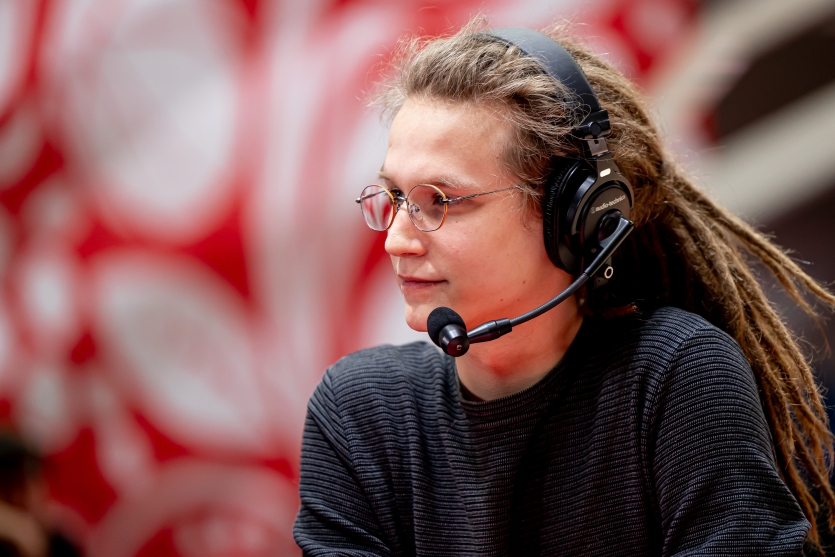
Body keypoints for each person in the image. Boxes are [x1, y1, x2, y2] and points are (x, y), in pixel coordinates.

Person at [293, 18, 835, 556]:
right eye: (394, 197)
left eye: (440, 201)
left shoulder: (675, 378)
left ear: (574, 216)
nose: (396, 240)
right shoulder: (359, 414)